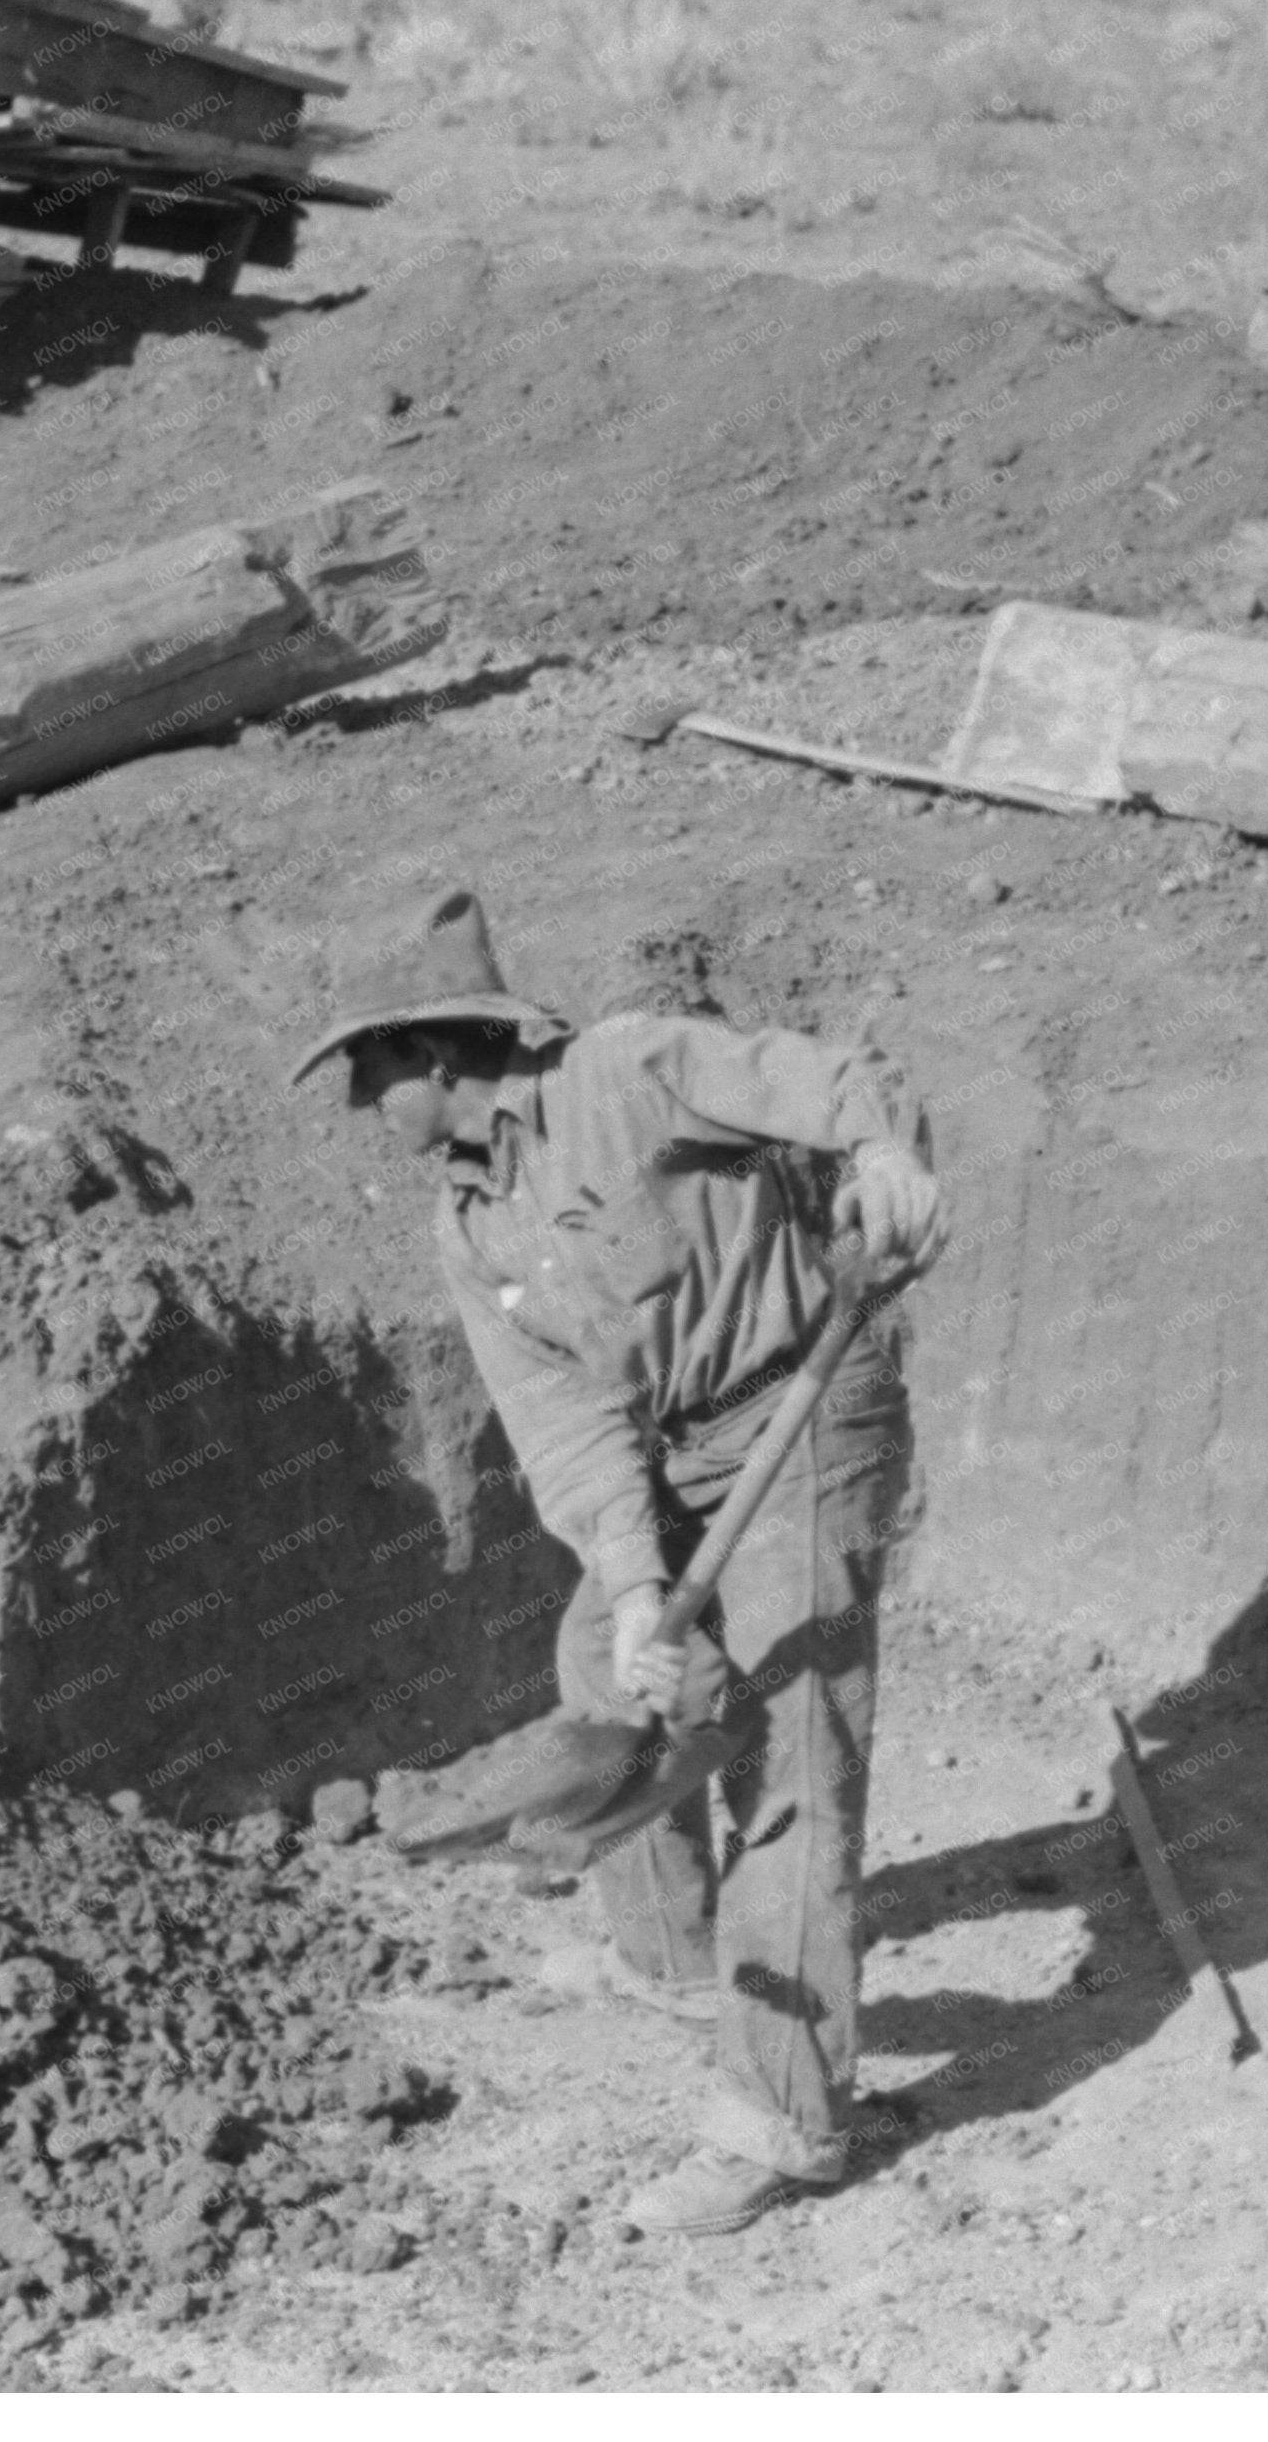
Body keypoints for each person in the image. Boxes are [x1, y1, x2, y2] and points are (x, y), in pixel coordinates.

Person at [293, 888, 946, 2236]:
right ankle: (675, 1964)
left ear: (431, 1056)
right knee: (602, 1656)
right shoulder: (468, 1224)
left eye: (368, 1075)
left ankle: (788, 2123)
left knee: (792, 1763)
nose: (365, 1109)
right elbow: (565, 1424)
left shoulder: (628, 1069)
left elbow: (830, 1077)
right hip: (671, 1449)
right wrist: (643, 1585)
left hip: (800, 1410)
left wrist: (883, 1155)